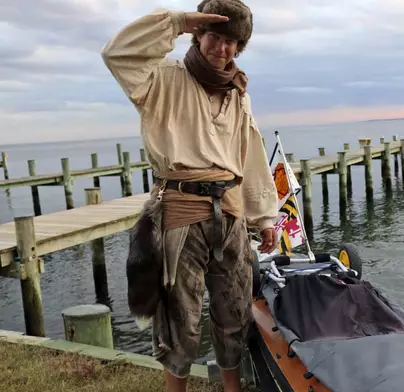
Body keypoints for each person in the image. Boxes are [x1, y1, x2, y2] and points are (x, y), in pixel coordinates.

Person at [101, 1, 278, 391]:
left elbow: (248, 156)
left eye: (233, 41)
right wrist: (178, 21)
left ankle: (233, 388)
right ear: (199, 35)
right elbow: (116, 53)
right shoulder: (161, 78)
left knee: (234, 314)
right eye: (215, 36)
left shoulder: (238, 92)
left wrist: (264, 217)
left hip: (230, 216)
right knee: (180, 320)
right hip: (181, 213)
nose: (223, 48)